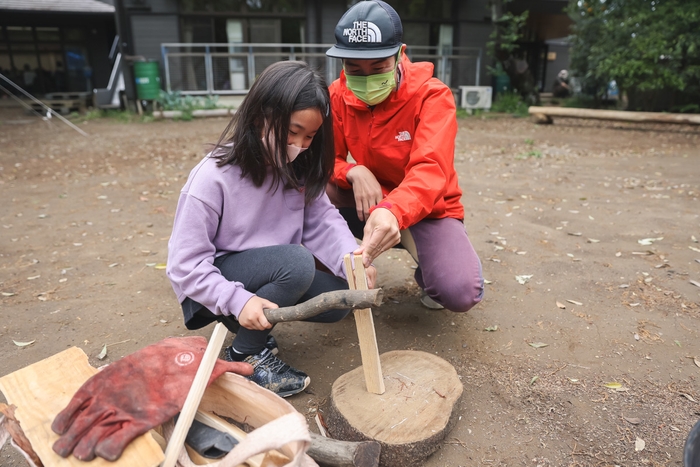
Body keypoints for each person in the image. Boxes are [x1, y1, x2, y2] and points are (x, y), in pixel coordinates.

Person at [166, 61, 376, 397]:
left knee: (339, 299)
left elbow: (323, 219)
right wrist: (235, 298)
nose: (300, 145)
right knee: (296, 262)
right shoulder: (212, 177)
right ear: (260, 115)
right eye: (292, 132)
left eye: (309, 137)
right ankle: (244, 355)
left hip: (270, 270)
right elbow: (184, 265)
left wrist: (351, 260)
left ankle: (251, 323)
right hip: (213, 282)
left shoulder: (298, 169)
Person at [325, 0, 483, 313]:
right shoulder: (336, 95)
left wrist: (393, 210)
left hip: (428, 207)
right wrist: (353, 172)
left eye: (378, 67)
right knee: (313, 191)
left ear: (400, 53)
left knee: (459, 291)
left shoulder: (432, 96)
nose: (366, 79)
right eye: (354, 69)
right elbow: (324, 159)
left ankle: (429, 263)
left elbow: (430, 169)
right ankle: (326, 266)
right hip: (368, 197)